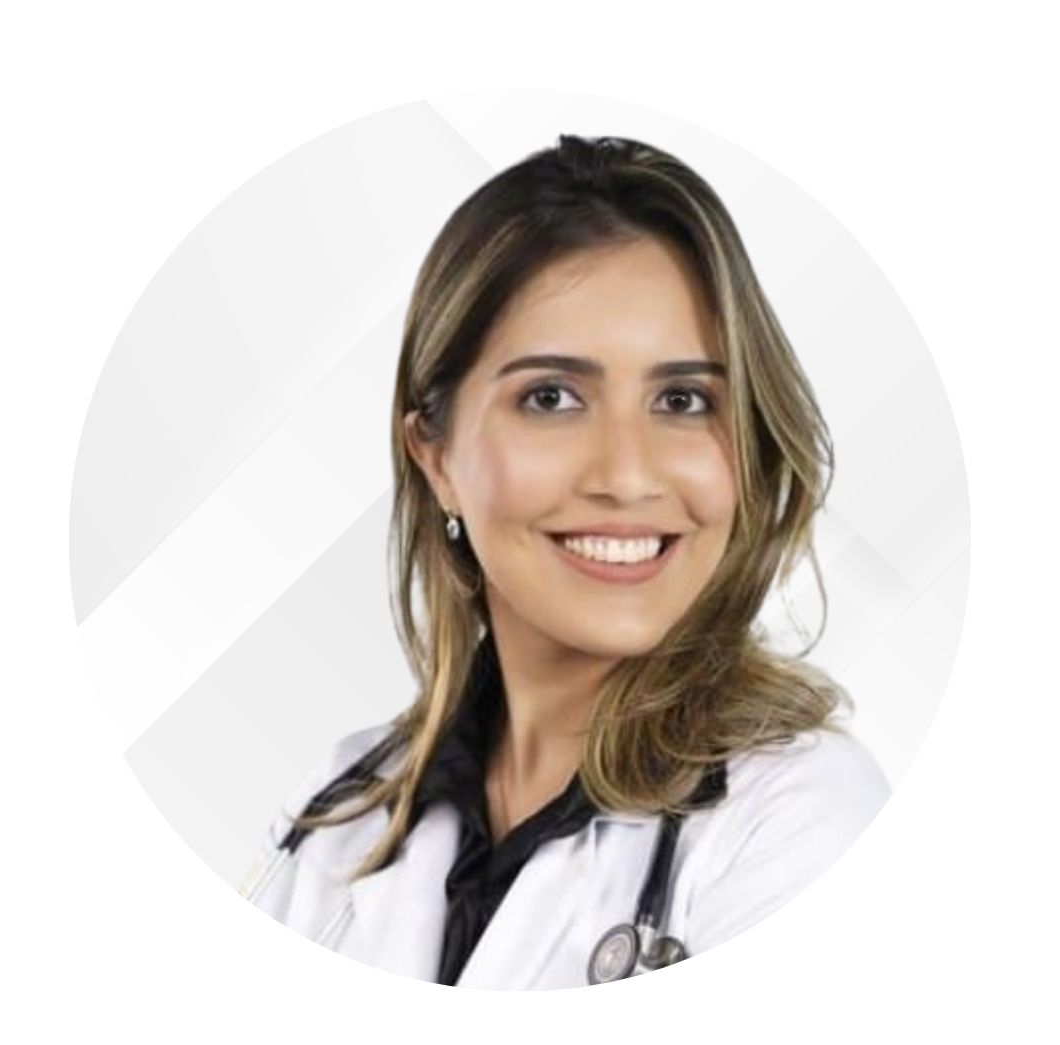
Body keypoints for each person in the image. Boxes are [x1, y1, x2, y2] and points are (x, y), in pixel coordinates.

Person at [238, 134, 891, 990]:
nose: (626, 475)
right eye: (551, 398)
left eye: (683, 400)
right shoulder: (339, 808)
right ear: (436, 455)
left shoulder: (805, 822)